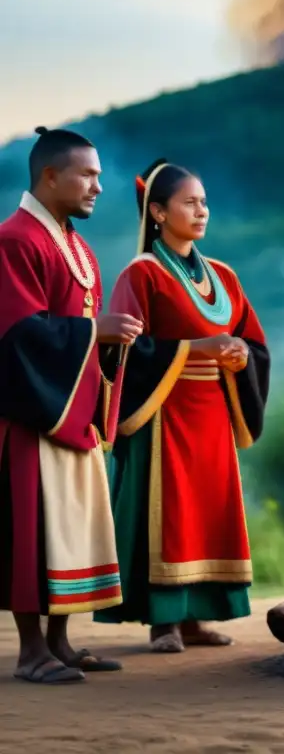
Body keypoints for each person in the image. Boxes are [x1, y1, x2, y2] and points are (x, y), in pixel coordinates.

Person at [94, 159, 271, 653]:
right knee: (168, 514)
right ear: (157, 211)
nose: (202, 211)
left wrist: (238, 355)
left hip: (213, 411)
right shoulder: (141, 275)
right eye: (189, 203)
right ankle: (163, 621)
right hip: (161, 413)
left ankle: (198, 616)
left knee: (208, 511)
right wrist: (196, 350)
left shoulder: (225, 276)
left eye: (204, 202)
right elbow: (122, 349)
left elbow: (253, 342)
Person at [0, 126, 143, 683]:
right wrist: (94, 330)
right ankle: (31, 650)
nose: (98, 187)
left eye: (100, 176)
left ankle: (61, 643)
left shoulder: (76, 245)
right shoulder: (14, 240)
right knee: (34, 529)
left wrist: (108, 341)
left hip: (73, 410)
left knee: (67, 529)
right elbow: (17, 334)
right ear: (50, 176)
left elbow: (72, 329)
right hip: (33, 413)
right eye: (87, 175)